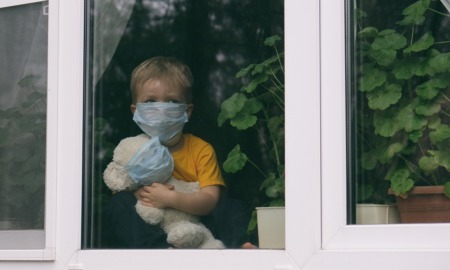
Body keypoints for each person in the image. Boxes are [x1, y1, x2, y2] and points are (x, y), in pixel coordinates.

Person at [103, 56, 250, 248]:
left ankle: (239, 250)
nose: (161, 109)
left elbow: (210, 200)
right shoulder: (132, 150)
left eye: (172, 101)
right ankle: (162, 254)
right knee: (118, 205)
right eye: (150, 101)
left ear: (187, 111)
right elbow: (121, 188)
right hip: (153, 229)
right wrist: (142, 195)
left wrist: (170, 198)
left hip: (196, 228)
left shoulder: (200, 149)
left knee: (234, 208)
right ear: (135, 110)